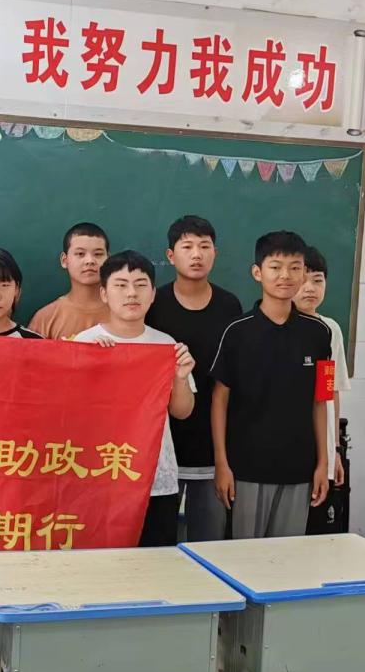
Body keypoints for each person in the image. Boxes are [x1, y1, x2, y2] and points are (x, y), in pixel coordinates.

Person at [211, 231, 331, 540]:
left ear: (304, 273)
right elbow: (220, 400)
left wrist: (324, 462)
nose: (285, 276)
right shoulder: (236, 331)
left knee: (287, 558)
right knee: (244, 557)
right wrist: (222, 464)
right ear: (257, 272)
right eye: (275, 267)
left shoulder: (319, 334)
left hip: (299, 469)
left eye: (295, 267)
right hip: (246, 469)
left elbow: (321, 400)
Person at [74, 251, 196, 546]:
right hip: (100, 476)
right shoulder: (85, 343)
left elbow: (182, 412)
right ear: (104, 294)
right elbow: (71, 415)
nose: (131, 293)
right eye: (120, 285)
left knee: (156, 560)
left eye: (140, 285)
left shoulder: (165, 344)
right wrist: (89, 365)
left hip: (155, 478)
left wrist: (180, 378)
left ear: (152, 294)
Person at [145, 215, 241, 542]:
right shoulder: (153, 303)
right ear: (170, 255)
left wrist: (225, 457)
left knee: (209, 543)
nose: (197, 254)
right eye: (187, 247)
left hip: (212, 450)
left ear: (215, 253)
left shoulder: (229, 306)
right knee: (158, 544)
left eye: (204, 246)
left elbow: (230, 380)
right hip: (161, 449)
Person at [294, 246, 352, 498]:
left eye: (317, 281)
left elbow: (330, 391)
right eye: (302, 280)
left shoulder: (330, 329)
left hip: (321, 449)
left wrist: (335, 449)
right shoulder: (273, 326)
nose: (310, 288)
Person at [29, 223, 109, 339]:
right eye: (80, 254)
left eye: (98, 254)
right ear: (64, 260)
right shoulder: (46, 318)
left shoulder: (124, 313)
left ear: (108, 260)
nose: (90, 261)